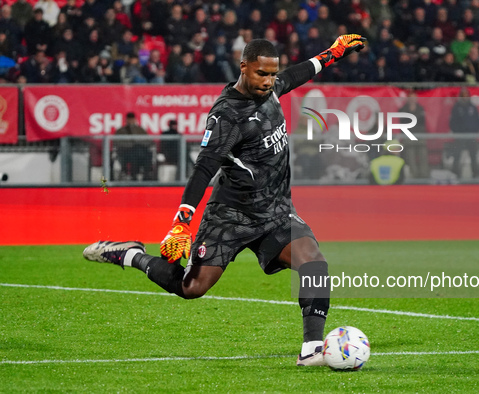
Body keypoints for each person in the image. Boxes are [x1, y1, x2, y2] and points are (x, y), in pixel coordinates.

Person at [83, 35, 367, 366]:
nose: (269, 81)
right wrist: (181, 222)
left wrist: (332, 53)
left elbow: (299, 73)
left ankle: (312, 349)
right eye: (262, 74)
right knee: (192, 287)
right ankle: (130, 254)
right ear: (244, 67)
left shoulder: (272, 88)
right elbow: (204, 168)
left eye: (273, 74)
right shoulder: (227, 117)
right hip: (230, 215)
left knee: (315, 264)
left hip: (275, 210)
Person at [448, 87, 479, 179]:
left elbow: (477, 121)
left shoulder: (472, 107)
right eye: (463, 95)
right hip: (460, 136)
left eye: (466, 95)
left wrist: (474, 132)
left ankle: (476, 174)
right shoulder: (457, 107)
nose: (465, 97)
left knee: (473, 156)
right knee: (457, 156)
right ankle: (455, 174)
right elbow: (452, 122)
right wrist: (457, 132)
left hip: (471, 136)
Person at [114, 112, 152, 180]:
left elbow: (147, 141)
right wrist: (131, 145)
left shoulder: (140, 130)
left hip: (141, 152)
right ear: (126, 120)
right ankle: (133, 175)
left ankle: (146, 175)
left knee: (148, 154)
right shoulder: (121, 131)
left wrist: (138, 143)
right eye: (129, 119)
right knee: (134, 155)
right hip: (126, 152)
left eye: (132, 119)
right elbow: (117, 143)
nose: (131, 121)